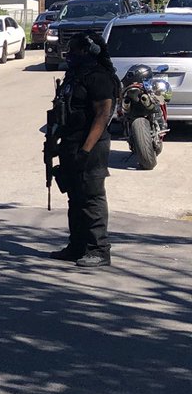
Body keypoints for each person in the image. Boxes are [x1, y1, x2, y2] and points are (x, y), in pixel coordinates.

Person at [49, 32, 118, 268]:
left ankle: (99, 249)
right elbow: (62, 112)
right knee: (75, 197)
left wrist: (85, 151)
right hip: (70, 142)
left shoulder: (99, 77)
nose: (71, 55)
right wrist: (53, 143)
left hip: (92, 146)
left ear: (89, 52)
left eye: (76, 50)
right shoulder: (74, 76)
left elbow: (102, 115)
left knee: (91, 197)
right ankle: (77, 246)